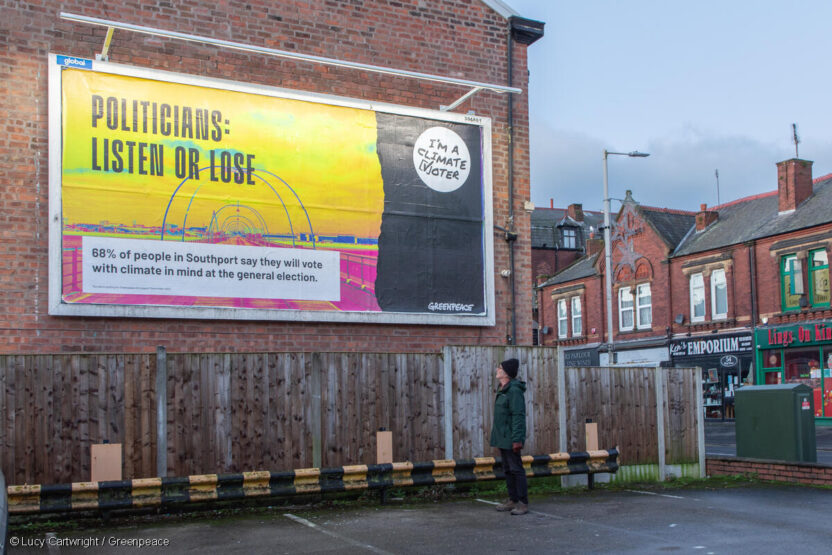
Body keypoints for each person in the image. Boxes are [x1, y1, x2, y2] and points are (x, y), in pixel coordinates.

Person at [489, 358, 528, 515]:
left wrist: (517, 439)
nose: (497, 370)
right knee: (507, 469)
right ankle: (512, 500)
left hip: (511, 438)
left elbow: (518, 416)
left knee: (516, 469)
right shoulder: (503, 389)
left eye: (499, 368)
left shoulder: (514, 391)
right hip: (503, 437)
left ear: (506, 373)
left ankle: (523, 503)